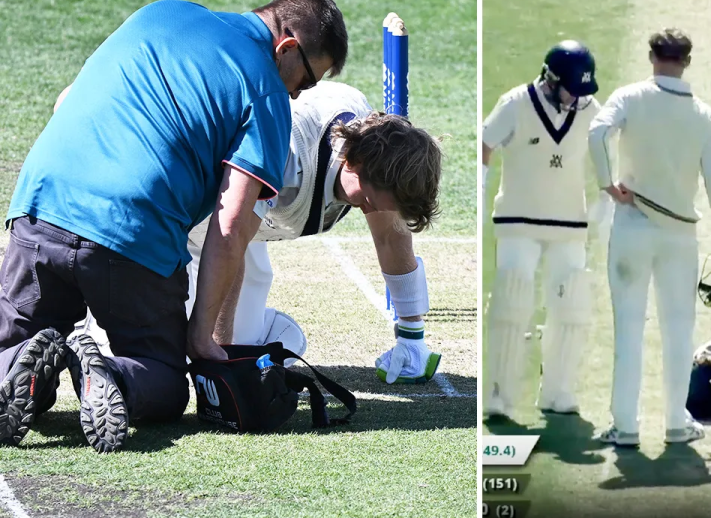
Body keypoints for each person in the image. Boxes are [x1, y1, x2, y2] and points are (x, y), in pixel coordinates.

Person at [0, 0, 348, 453]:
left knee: (15, 350)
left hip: (40, 205)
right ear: (285, 47)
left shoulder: (159, 12)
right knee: (164, 381)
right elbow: (231, 225)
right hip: (132, 231)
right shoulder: (265, 91)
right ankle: (107, 374)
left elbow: (66, 99)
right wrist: (201, 335)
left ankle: (16, 367)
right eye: (307, 79)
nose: (300, 95)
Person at [71, 81, 444, 383]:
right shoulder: (283, 157)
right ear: (355, 163)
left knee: (252, 343)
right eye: (372, 200)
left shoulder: (369, 152)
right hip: (182, 218)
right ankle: (90, 328)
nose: (374, 212)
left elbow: (391, 236)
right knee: (147, 360)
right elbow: (228, 237)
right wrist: (217, 356)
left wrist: (411, 335)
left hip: (240, 226)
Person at [587, 28, 711, 446]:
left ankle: (625, 427)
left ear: (652, 56)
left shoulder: (629, 97)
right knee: (678, 330)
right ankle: (676, 423)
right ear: (686, 61)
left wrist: (607, 183)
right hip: (679, 236)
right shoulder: (702, 114)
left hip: (633, 225)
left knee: (629, 330)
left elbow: (598, 134)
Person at [481, 41, 601, 419]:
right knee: (512, 302)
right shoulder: (516, 102)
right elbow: (486, 143)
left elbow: (607, 159)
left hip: (569, 223)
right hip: (518, 220)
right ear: (550, 79)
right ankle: (499, 395)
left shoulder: (591, 110)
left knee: (572, 306)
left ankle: (558, 391)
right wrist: (483, 191)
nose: (577, 98)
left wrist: (605, 209)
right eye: (571, 89)